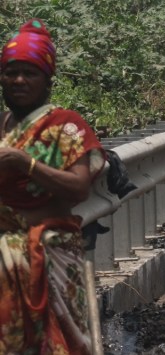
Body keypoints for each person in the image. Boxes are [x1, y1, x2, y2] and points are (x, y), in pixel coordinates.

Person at [0, 19, 106, 354]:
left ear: (47, 79)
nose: (18, 80)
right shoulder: (2, 125)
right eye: (11, 72)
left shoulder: (66, 125)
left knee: (59, 344)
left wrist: (26, 164)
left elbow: (78, 188)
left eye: (29, 73)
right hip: (4, 255)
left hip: (50, 251)